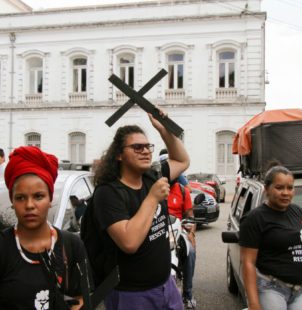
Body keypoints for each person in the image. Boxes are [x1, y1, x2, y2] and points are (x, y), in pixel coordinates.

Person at [92, 111, 190, 310]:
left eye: (147, 146)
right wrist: (153, 198)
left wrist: (163, 130)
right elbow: (129, 242)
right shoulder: (108, 193)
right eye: (137, 147)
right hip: (132, 295)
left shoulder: (151, 176)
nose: (145, 151)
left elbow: (182, 161)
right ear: (119, 154)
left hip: (166, 285)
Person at [0, 146, 91, 310]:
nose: (29, 205)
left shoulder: (72, 245)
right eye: (20, 198)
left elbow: (81, 297)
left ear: (50, 199)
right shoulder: (3, 247)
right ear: (12, 202)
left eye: (38, 196)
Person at [239, 163, 302, 310]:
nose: (286, 193)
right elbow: (248, 262)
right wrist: (253, 304)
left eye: (290, 188)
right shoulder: (255, 218)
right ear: (267, 189)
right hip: (271, 289)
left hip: (299, 290)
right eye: (279, 188)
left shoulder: (299, 212)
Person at [166, 180, 197, 309]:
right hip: (158, 230)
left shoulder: (183, 191)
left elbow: (191, 216)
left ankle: (188, 295)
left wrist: (192, 234)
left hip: (179, 229)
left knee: (190, 252)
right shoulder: (155, 188)